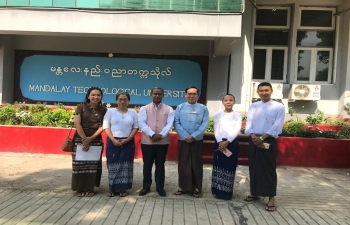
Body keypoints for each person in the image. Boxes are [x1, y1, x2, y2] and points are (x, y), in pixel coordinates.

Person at [244, 82, 285, 212]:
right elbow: (249, 123)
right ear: (258, 92)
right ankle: (255, 193)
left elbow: (277, 126)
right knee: (254, 167)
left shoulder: (279, 107)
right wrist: (253, 136)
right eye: (261, 90)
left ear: (271, 91)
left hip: (269, 140)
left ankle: (271, 198)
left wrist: (262, 138)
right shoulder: (254, 106)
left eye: (266, 90)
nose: (264, 93)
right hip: (254, 139)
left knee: (269, 169)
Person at [138, 87, 175, 197]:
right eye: (155, 94)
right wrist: (152, 134)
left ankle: (160, 187)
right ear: (151, 95)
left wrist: (161, 135)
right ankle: (146, 187)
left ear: (163, 95)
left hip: (162, 141)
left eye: (159, 94)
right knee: (147, 164)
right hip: (147, 141)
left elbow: (170, 123)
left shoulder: (169, 109)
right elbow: (141, 123)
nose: (157, 96)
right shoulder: (144, 108)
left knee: (160, 164)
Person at [173, 86, 209, 198]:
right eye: (189, 93)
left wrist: (193, 136)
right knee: (183, 164)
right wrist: (185, 136)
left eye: (194, 94)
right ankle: (184, 187)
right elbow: (176, 122)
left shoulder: (203, 108)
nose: (191, 96)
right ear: (185, 95)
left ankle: (196, 188)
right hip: (183, 140)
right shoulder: (180, 107)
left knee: (196, 164)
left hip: (197, 140)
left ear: (198, 95)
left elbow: (204, 124)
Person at [72, 87, 107, 197]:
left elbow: (103, 126)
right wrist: (84, 139)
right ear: (88, 96)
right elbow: (77, 124)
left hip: (96, 140)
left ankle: (90, 188)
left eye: (98, 95)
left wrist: (91, 138)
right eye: (93, 95)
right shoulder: (80, 107)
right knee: (80, 165)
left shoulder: (103, 110)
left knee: (92, 165)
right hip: (79, 139)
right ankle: (79, 188)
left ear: (101, 97)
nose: (95, 97)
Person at [102, 92, 139, 197]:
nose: (122, 101)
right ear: (116, 101)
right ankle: (112, 188)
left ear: (129, 101)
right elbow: (106, 127)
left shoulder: (133, 113)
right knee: (112, 165)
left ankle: (123, 188)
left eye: (125, 99)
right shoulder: (110, 112)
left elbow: (136, 127)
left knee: (126, 165)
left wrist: (128, 139)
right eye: (120, 99)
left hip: (128, 142)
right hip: (113, 141)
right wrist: (113, 139)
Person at [211, 94, 242, 200]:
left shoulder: (238, 115)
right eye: (226, 100)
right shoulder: (218, 114)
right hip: (219, 142)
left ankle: (227, 193)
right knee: (218, 166)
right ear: (223, 102)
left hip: (232, 143)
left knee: (229, 167)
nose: (228, 102)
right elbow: (216, 129)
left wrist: (228, 141)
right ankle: (217, 191)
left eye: (231, 100)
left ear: (234, 102)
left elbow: (237, 130)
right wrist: (220, 141)